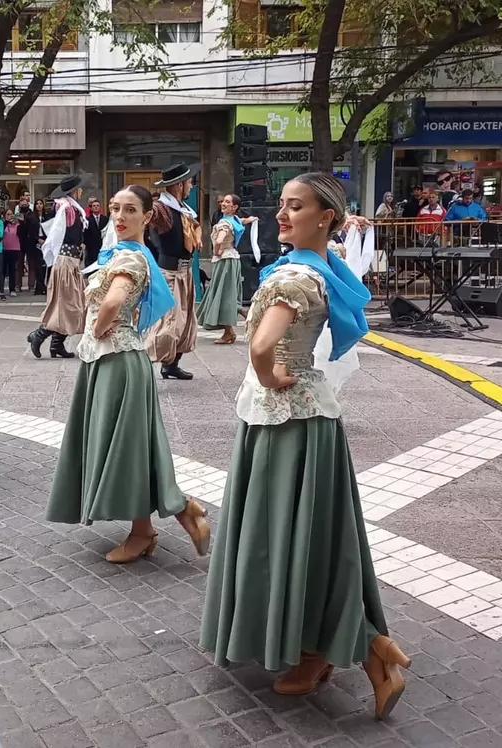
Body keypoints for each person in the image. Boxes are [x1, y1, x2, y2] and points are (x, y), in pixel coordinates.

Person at [200, 172, 410, 719]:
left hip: (285, 422)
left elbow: (263, 343)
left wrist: (268, 377)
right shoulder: (326, 271)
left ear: (327, 218)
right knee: (315, 535)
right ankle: (364, 649)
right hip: (310, 419)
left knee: (287, 535)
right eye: (282, 206)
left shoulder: (294, 275)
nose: (282, 215)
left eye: (296, 207)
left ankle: (345, 650)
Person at [45, 185, 210, 564]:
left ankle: (150, 527)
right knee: (131, 446)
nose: (120, 217)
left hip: (116, 360)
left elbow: (116, 299)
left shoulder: (130, 260)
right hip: (114, 360)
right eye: (116, 208)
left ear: (147, 217)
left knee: (126, 448)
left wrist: (102, 326)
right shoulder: (123, 253)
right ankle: (174, 514)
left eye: (131, 210)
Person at [145, 163, 200, 381]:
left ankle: (171, 365)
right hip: (168, 272)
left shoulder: (182, 208)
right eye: (189, 182)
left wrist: (200, 234)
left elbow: (195, 225)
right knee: (168, 323)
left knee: (185, 322)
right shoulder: (162, 208)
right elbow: (145, 216)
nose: (191, 186)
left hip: (184, 273)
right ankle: (143, 361)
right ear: (179, 185)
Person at [26, 176, 88, 359]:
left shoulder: (70, 209)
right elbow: (57, 235)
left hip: (71, 261)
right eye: (79, 189)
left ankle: (56, 345)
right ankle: (39, 335)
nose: (82, 192)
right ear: (74, 192)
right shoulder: (67, 210)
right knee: (68, 305)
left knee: (72, 305)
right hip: (67, 262)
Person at [198, 194, 256, 345]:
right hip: (232, 259)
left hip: (225, 260)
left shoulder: (225, 223)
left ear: (235, 207)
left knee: (222, 294)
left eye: (227, 202)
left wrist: (217, 250)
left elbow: (219, 239)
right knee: (227, 293)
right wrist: (250, 220)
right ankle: (238, 319)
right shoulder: (235, 220)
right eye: (223, 201)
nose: (223, 203)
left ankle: (231, 330)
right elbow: (241, 221)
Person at [19, 198, 46, 295]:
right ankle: (38, 286)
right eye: (37, 204)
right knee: (36, 265)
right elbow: (29, 230)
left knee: (44, 265)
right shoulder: (32, 216)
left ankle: (42, 285)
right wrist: (37, 239)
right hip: (34, 242)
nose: (39, 205)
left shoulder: (46, 216)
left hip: (46, 241)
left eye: (41, 203)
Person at [83, 196, 109, 268]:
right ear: (91, 208)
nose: (96, 207)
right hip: (91, 248)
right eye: (94, 206)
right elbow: (85, 234)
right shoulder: (87, 220)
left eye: (97, 206)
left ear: (100, 207)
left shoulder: (105, 219)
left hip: (102, 246)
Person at [2, 208, 21, 296]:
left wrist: (19, 222)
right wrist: (7, 222)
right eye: (8, 214)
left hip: (14, 248)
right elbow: (1, 232)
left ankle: (12, 289)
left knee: (12, 269)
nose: (10, 216)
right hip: (4, 249)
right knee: (2, 269)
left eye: (11, 214)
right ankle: (0, 289)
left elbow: (22, 233)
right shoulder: (3, 224)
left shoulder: (17, 224)